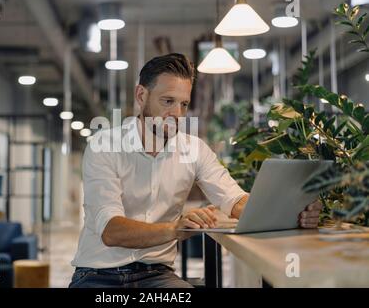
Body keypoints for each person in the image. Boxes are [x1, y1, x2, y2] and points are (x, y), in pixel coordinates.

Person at [69, 53, 322, 288]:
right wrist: (175, 229)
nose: (176, 114)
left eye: (184, 104)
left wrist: (294, 211)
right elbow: (111, 231)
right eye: (168, 101)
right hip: (97, 275)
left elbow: (234, 200)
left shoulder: (194, 149)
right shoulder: (105, 146)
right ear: (141, 95)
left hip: (157, 276)